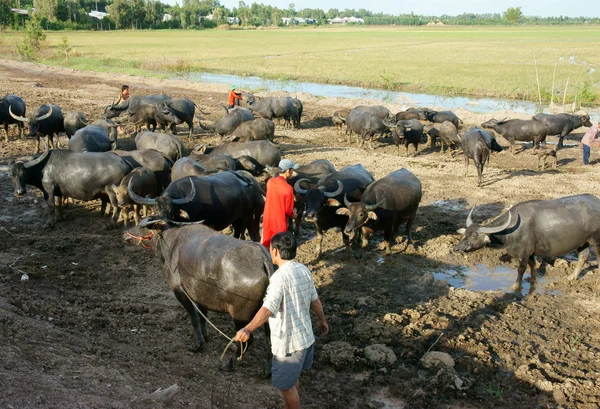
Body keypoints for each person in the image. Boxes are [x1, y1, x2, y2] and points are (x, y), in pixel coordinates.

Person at [234, 232, 328, 409]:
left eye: (270, 248)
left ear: (276, 251)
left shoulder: (279, 278)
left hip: (289, 346)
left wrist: (248, 329)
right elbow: (315, 300)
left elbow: (268, 308)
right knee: (293, 380)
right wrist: (322, 320)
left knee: (287, 388)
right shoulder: (303, 269)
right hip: (306, 339)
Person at [261, 159, 299, 248]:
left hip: (267, 220)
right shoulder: (288, 189)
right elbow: (288, 211)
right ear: (287, 171)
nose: (293, 172)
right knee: (279, 247)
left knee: (265, 245)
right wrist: (294, 214)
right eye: (292, 170)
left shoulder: (270, 182)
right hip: (279, 223)